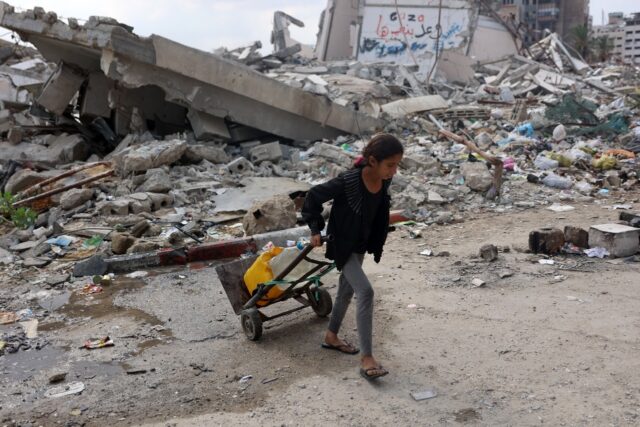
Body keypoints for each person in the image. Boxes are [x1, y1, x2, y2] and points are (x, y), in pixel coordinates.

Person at [302, 133, 404, 380]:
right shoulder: (348, 181)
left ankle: (331, 336)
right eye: (390, 165)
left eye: (397, 165)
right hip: (341, 244)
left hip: (360, 244)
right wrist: (315, 229)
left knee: (346, 291)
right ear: (372, 161)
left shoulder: (383, 181)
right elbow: (313, 197)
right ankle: (367, 357)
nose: (394, 171)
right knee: (365, 292)